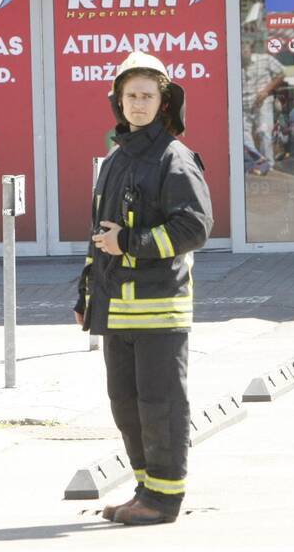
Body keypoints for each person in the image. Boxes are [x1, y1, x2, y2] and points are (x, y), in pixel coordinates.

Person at [75, 51, 214, 526]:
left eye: (147, 96)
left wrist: (130, 242)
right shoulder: (116, 159)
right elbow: (100, 235)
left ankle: (165, 497)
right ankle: (145, 489)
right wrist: (86, 297)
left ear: (164, 102)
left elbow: (195, 228)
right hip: (115, 311)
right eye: (130, 95)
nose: (138, 104)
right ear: (118, 101)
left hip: (159, 310)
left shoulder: (174, 159)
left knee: (161, 406)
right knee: (126, 406)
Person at [241, 40, 286, 173]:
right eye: (241, 49)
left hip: (263, 102)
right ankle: (258, 161)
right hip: (243, 104)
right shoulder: (235, 63)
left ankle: (269, 165)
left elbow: (282, 73)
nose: (243, 52)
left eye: (245, 49)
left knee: (264, 132)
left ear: (251, 50)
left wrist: (266, 90)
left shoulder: (265, 59)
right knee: (243, 135)